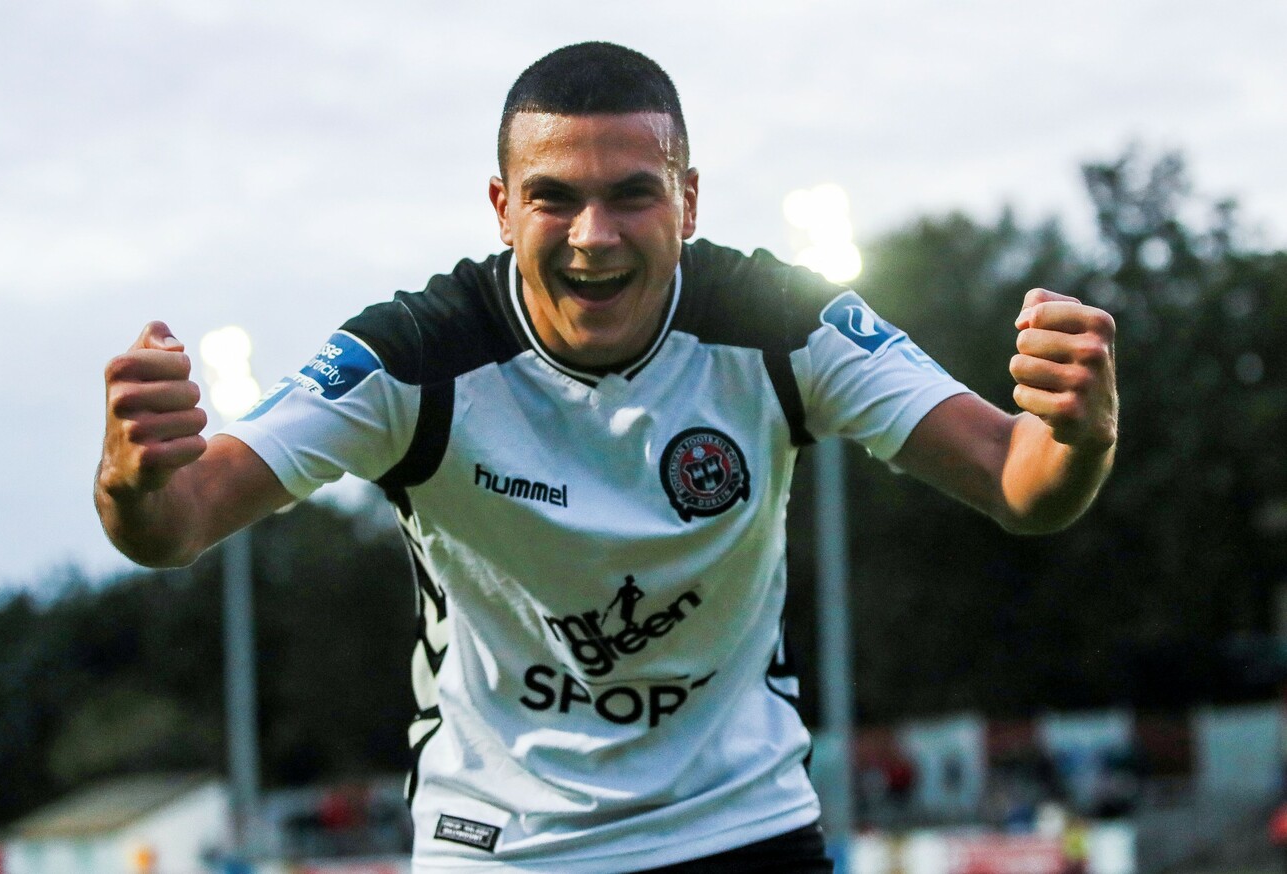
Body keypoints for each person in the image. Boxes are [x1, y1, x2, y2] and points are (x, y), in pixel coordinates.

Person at [96, 42, 1117, 873]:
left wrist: (1077, 431)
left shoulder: (779, 323)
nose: (593, 236)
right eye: (554, 197)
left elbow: (1015, 482)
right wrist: (133, 478)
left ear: (689, 200)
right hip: (502, 845)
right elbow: (180, 522)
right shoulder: (414, 356)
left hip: (741, 827)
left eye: (632, 194)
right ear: (501, 207)